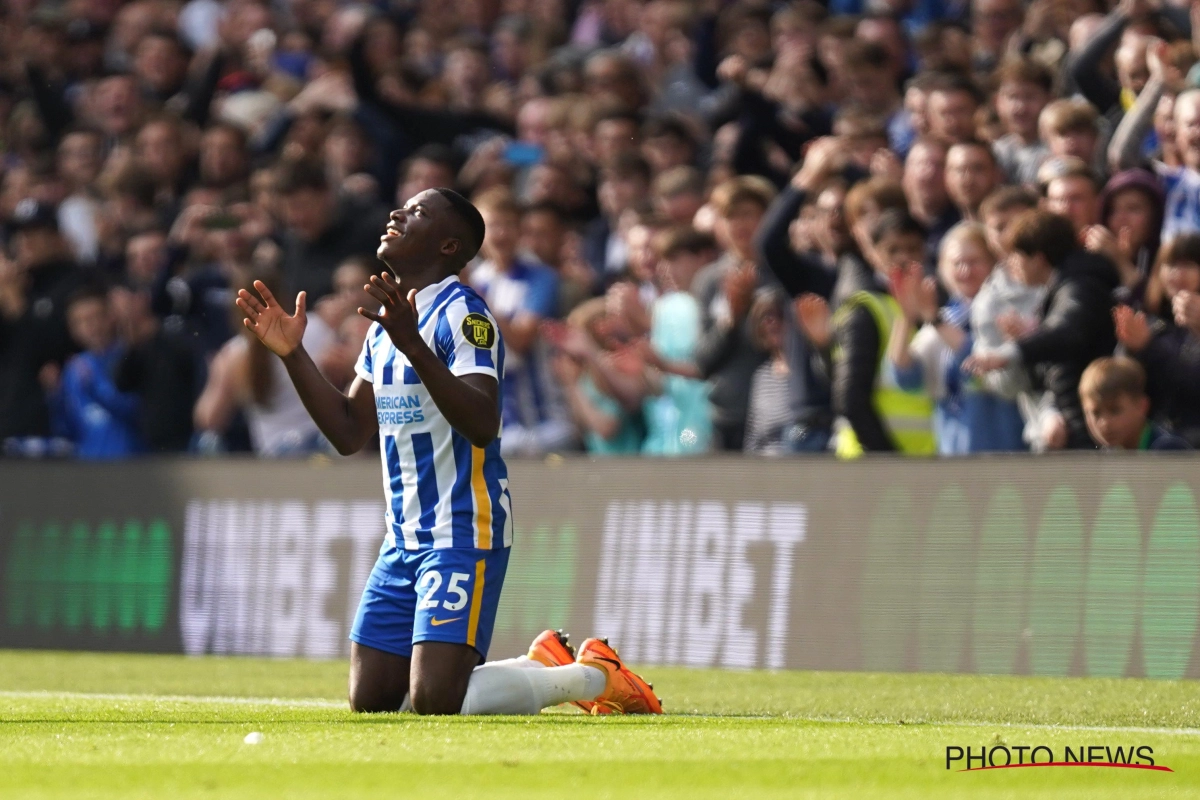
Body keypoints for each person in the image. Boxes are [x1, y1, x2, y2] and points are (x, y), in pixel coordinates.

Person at [235, 187, 661, 716]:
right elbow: (348, 433)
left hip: (463, 529)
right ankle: (544, 661)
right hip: (404, 536)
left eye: (416, 213)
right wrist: (293, 354)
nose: (396, 215)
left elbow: (483, 422)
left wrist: (415, 344)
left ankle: (592, 677)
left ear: (447, 245)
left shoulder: (465, 315)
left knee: (438, 699)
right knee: (372, 702)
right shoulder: (386, 327)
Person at [967, 210, 1119, 449]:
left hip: (1089, 431)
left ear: (1038, 259)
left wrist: (1010, 351)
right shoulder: (1067, 285)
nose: (1012, 266)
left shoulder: (1080, 286)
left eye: (1017, 256)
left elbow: (1070, 332)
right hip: (1076, 420)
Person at [830, 210, 935, 457]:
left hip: (924, 459)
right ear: (872, 253)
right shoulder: (864, 310)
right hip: (874, 462)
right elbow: (850, 399)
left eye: (913, 249)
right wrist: (888, 458)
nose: (903, 258)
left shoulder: (932, 306)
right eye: (893, 250)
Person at [1114, 233, 1200, 446]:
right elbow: (1127, 384)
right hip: (1156, 440)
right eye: (1170, 265)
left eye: (1188, 265)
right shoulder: (1148, 323)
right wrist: (1132, 350)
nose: (1178, 274)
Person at [53, 285, 142, 458]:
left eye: (95, 317)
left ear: (111, 317)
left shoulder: (129, 357)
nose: (90, 326)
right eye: (80, 321)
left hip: (130, 463)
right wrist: (54, 396)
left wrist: (94, 386)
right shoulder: (73, 369)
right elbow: (66, 428)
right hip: (89, 466)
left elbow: (135, 411)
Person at [1079, 356, 1190, 450]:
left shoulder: (1167, 449)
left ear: (1141, 406)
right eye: (1095, 413)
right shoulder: (1107, 455)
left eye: (1115, 410)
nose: (1104, 423)